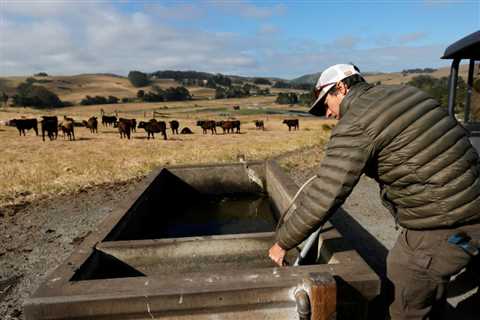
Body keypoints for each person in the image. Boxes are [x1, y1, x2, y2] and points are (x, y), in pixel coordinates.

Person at [268, 63, 480, 319]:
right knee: (430, 278)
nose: (327, 114)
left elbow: (325, 194)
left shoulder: (356, 123)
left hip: (443, 221)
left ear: (341, 87)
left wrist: (283, 242)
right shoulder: (407, 93)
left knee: (406, 276)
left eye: (325, 104)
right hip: (472, 203)